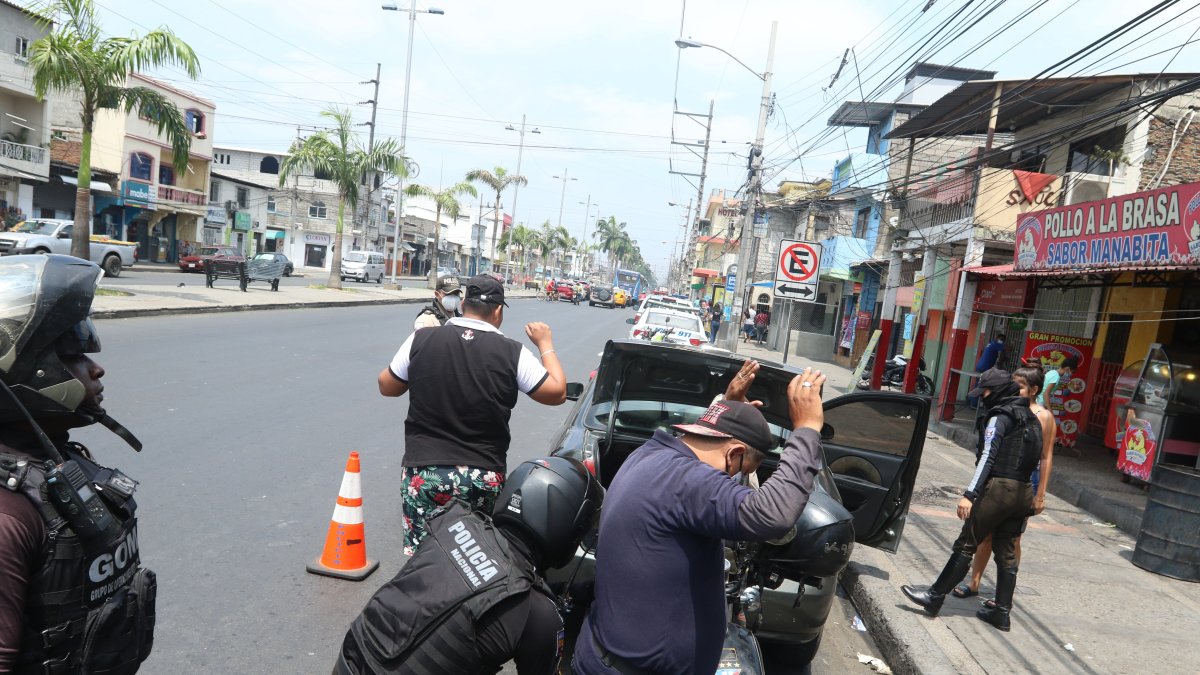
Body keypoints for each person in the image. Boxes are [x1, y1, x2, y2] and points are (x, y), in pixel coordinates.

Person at [574, 364, 828, 674]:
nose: (730, 480)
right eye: (739, 472)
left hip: (608, 656)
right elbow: (772, 514)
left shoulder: (650, 454)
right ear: (733, 454)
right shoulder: (688, 479)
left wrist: (727, 408)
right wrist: (806, 430)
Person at [0, 255, 155, 672]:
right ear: (22, 373)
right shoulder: (8, 516)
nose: (96, 368)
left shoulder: (55, 459)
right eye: (72, 356)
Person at [335, 456, 603, 675]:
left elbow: (473, 588)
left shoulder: (454, 523)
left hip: (352, 657)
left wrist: (564, 592)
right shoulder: (540, 616)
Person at [378, 274, 568, 556]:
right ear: (498, 311)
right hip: (481, 477)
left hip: (424, 473)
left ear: (463, 303)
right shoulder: (513, 352)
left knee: (422, 561)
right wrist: (545, 344)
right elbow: (557, 393)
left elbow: (387, 386)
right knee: (474, 563)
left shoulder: (421, 338)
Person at [901, 366, 1043, 632]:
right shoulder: (1031, 418)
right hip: (1023, 492)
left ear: (997, 391)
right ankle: (1002, 613)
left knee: (967, 544)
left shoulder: (1000, 417)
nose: (983, 397)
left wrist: (970, 494)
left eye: (986, 391)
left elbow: (988, 457)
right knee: (1007, 553)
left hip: (999, 490)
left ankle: (934, 597)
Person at [954, 364, 1056, 602]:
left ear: (1034, 390)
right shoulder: (1006, 411)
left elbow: (1046, 457)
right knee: (985, 535)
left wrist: (1040, 494)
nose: (1014, 389)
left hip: (1024, 481)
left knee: (1011, 539)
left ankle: (1003, 597)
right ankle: (974, 582)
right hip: (997, 479)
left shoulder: (1044, 417)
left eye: (1019, 386)